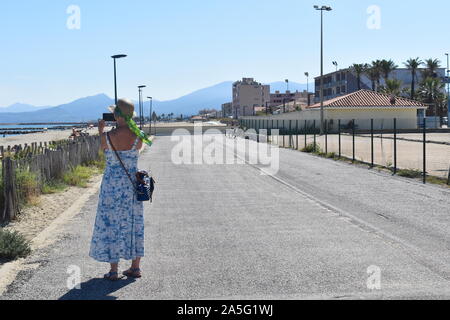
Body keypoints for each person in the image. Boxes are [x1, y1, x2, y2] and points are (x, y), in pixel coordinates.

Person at [89, 98, 145, 281]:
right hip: (131, 187)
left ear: (116, 115)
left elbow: (103, 148)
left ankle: (113, 270)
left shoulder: (108, 136)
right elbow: (138, 147)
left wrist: (100, 131)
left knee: (112, 224)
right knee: (133, 223)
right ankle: (135, 267)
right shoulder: (138, 135)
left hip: (112, 187)